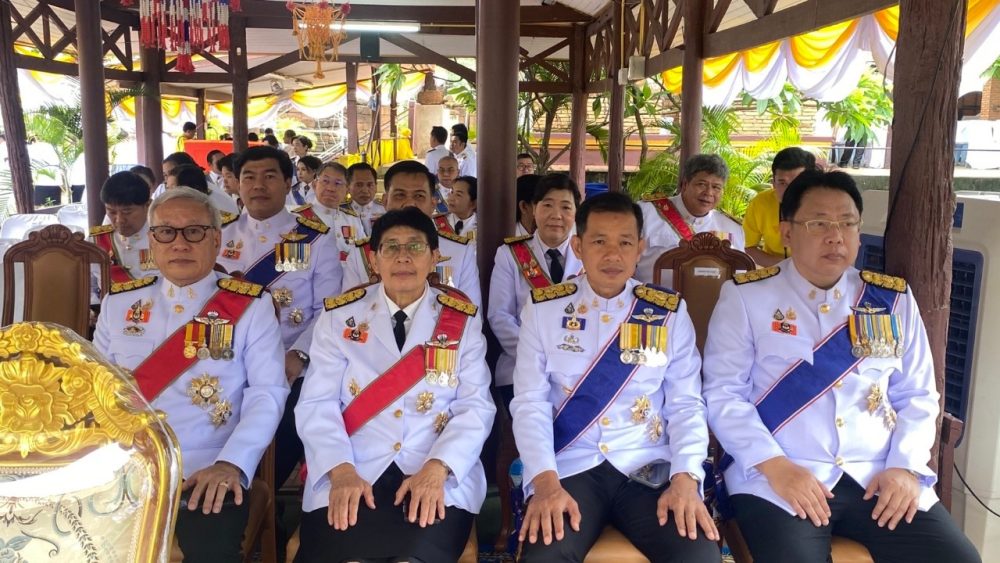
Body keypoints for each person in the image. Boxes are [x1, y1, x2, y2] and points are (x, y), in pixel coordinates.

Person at [701, 170, 981, 563]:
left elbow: (918, 394)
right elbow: (724, 393)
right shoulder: (747, 297)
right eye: (819, 223)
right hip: (780, 476)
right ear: (786, 232)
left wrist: (904, 466)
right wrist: (776, 466)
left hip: (878, 474)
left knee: (958, 558)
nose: (836, 236)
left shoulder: (892, 299)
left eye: (847, 223)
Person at [511, 191, 720, 562]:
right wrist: (544, 483)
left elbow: (686, 404)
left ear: (640, 247)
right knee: (545, 555)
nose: (612, 255)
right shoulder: (544, 309)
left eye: (624, 242)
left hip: (647, 466)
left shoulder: (668, 313)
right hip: (569, 466)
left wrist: (686, 478)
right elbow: (530, 403)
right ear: (578, 246)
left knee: (697, 554)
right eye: (599, 242)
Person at [94, 187, 289, 562]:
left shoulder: (250, 305)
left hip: (210, 467)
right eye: (166, 232)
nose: (180, 243)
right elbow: (97, 393)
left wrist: (232, 464)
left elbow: (268, 393)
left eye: (194, 231)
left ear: (216, 240)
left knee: (207, 549)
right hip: (129, 466)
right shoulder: (119, 304)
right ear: (152, 241)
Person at [294, 208, 495, 562]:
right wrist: (341, 470)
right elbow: (316, 403)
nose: (403, 256)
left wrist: (437, 468)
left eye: (415, 246)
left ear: (434, 258)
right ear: (374, 260)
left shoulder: (461, 320)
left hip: (431, 470)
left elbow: (475, 406)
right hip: (354, 467)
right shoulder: (339, 317)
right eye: (391, 247)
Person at [216, 145, 344, 492]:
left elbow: (329, 310)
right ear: (237, 184)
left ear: (288, 183)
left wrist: (299, 354)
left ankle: (261, 497)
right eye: (249, 177)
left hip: (290, 361)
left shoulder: (315, 238)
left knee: (293, 418)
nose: (258, 185)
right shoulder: (218, 235)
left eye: (269, 176)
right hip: (227, 360)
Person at [488, 173, 583, 408]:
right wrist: (538, 357)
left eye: (565, 207)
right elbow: (500, 316)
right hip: (521, 366)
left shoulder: (589, 254)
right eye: (547, 205)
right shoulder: (510, 255)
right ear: (533, 209)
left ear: (576, 213)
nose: (556, 215)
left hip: (579, 369)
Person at [341, 160, 481, 306]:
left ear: (433, 203)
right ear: (385, 201)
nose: (409, 204)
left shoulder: (460, 251)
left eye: (419, 196)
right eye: (400, 195)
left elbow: (470, 312)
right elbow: (348, 312)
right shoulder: (360, 253)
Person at [636, 153, 745, 285]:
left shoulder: (732, 227)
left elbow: (740, 276)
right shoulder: (646, 213)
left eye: (716, 187)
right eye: (702, 184)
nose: (709, 193)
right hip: (652, 297)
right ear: (685, 184)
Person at [744, 147, 816, 267]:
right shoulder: (760, 203)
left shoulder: (828, 205)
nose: (789, 190)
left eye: (797, 182)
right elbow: (748, 247)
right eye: (782, 183)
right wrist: (787, 268)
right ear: (773, 183)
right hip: (774, 269)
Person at [89, 171, 158, 294]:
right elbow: (88, 286)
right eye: (112, 212)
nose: (119, 220)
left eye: (127, 212)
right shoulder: (97, 241)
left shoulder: (163, 237)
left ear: (147, 205)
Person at [301, 162, 367, 263]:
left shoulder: (352, 220)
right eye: (325, 181)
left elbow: (363, 259)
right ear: (314, 185)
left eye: (338, 183)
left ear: (347, 190)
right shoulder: (298, 218)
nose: (331, 188)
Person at [166, 163, 240, 216]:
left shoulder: (217, 214)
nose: (167, 194)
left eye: (173, 189)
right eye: (167, 188)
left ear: (192, 190)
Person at [347, 162, 385, 236]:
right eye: (359, 185)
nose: (365, 190)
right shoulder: (339, 212)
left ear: (376, 187)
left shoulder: (385, 210)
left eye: (370, 185)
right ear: (348, 187)